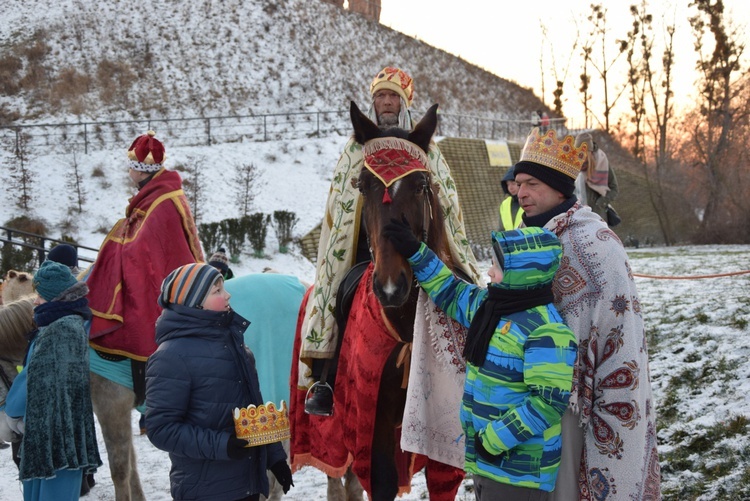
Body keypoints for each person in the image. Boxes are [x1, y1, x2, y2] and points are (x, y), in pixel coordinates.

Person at [301, 66, 481, 416]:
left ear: (404, 102)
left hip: (420, 243)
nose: (386, 102)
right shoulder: (357, 148)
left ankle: (477, 354)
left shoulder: (425, 149)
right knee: (340, 291)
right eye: (380, 96)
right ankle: (327, 375)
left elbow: (445, 198)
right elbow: (342, 204)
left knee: (464, 282)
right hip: (367, 246)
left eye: (392, 96)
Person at [513, 127, 660, 499]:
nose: (520, 193)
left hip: (579, 400)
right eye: (518, 183)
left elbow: (615, 324)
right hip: (531, 395)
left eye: (531, 183)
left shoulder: (596, 243)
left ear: (559, 188)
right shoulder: (525, 236)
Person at [384, 221, 577, 499]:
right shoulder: (490, 308)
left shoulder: (547, 331)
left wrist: (494, 440)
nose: (489, 272)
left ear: (521, 275)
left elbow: (547, 402)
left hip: (519, 472)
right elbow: (449, 290)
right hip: (487, 460)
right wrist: (416, 251)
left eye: (497, 268)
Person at [145, 263, 293, 501]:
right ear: (195, 303)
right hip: (205, 490)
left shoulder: (237, 347)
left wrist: (275, 457)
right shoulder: (171, 356)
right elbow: (161, 429)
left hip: (247, 484)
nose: (228, 295)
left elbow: (254, 409)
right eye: (217, 291)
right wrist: (222, 445)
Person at [85, 130, 203, 404]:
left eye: (131, 167)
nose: (128, 172)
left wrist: (118, 241)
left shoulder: (161, 202)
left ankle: (147, 395)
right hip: (163, 273)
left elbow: (145, 250)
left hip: (159, 279)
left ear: (140, 171)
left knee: (137, 319)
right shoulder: (160, 194)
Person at [4, 260, 102, 501]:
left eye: (41, 296)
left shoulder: (59, 330)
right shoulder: (67, 326)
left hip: (54, 438)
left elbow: (33, 377)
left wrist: (13, 410)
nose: (35, 301)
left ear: (56, 298)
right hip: (53, 433)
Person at [574, 136, 619, 222]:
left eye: (582, 151)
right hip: (578, 215)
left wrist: (600, 203)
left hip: (598, 216)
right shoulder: (573, 165)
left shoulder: (601, 163)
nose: (579, 155)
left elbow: (614, 189)